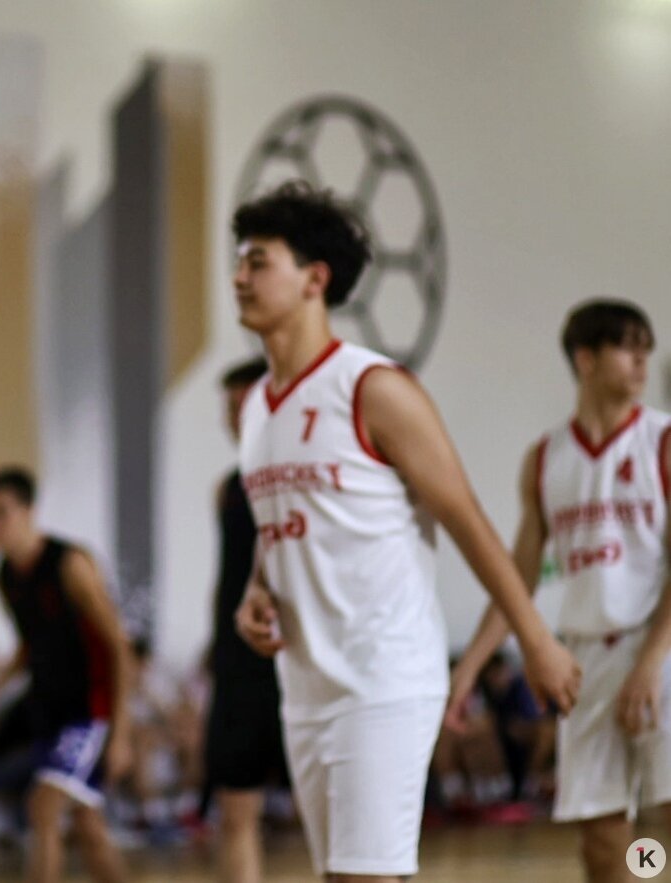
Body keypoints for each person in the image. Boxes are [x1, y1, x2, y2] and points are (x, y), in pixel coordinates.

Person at [230, 181, 581, 882]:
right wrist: (254, 591)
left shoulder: (374, 389)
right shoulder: (255, 409)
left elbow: (468, 522)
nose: (238, 277)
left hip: (383, 678)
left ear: (314, 279)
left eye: (257, 261)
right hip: (304, 688)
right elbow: (280, 527)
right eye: (239, 261)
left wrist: (536, 640)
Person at [448, 299, 669, 881]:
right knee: (600, 835)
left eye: (646, 349)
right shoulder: (546, 459)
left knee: (666, 813)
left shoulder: (663, 441)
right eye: (627, 347)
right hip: (584, 657)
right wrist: (470, 667)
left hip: (660, 644)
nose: (641, 361)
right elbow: (517, 579)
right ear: (586, 359)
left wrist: (652, 661)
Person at [0, 466, 132, 883]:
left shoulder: (70, 564)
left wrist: (121, 733)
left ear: (28, 511)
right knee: (89, 827)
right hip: (49, 711)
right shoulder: (4, 576)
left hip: (89, 710)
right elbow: (29, 645)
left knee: (42, 808)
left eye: (0, 512)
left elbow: (118, 647)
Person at [202, 357, 287, 883]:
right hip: (238, 666)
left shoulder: (299, 478)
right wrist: (216, 645)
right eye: (228, 407)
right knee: (235, 810)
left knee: (331, 814)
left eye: (242, 404)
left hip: (294, 658)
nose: (232, 417)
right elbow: (227, 577)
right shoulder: (227, 488)